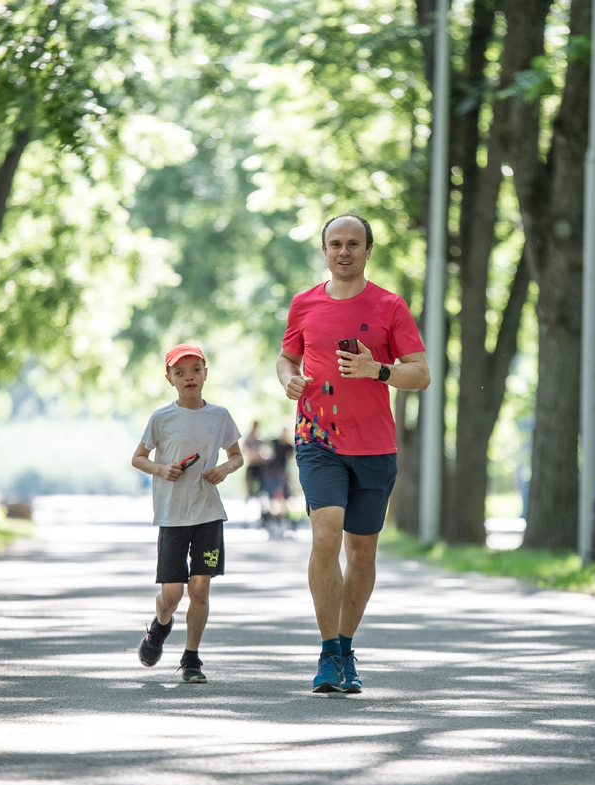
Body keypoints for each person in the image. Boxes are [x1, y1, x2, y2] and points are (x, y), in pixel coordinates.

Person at [276, 213, 430, 693]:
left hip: (375, 445)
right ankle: (326, 656)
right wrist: (289, 381)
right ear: (324, 251)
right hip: (318, 437)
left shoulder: (390, 306)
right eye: (336, 244)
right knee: (326, 535)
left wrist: (377, 370)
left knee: (361, 552)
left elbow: (420, 373)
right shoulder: (304, 304)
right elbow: (287, 358)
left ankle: (345, 647)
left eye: (354, 244)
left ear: (368, 251)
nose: (344, 251)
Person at [131, 343, 243, 684]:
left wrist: (224, 469)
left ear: (205, 373)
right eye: (180, 372)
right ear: (170, 379)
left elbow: (237, 455)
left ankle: (191, 658)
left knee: (200, 590)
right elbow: (138, 457)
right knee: (173, 595)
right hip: (172, 515)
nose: (189, 377)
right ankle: (160, 625)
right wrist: (161, 469)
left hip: (208, 513)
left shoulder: (220, 416)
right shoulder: (161, 418)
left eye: (195, 370)